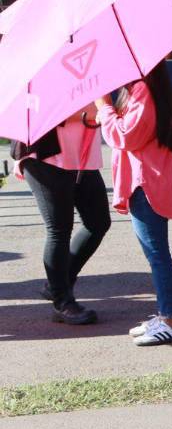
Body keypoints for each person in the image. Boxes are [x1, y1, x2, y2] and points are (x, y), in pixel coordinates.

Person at [95, 62, 172, 345]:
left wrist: (104, 106)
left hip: (146, 183)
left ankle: (170, 320)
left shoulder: (143, 90)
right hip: (146, 181)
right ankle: (165, 315)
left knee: (157, 254)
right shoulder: (146, 89)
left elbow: (125, 135)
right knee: (156, 253)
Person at [12, 110, 111, 324]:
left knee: (98, 222)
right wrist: (89, 113)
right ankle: (62, 302)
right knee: (59, 228)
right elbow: (36, 111)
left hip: (81, 155)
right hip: (44, 155)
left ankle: (58, 282)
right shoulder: (38, 77)